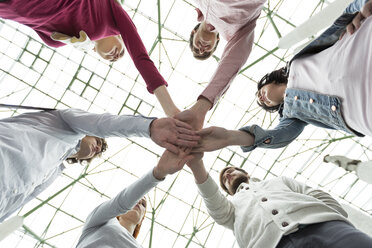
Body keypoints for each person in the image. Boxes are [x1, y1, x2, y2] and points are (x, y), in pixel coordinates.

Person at [192, 0, 372, 153]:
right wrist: (230, 138)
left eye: (259, 92)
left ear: (269, 80)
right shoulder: (292, 115)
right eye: (263, 103)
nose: (261, 98)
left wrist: (363, 3)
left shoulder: (296, 61)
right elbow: (279, 137)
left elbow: (344, 17)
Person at [0, 108, 199, 222]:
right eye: (99, 141)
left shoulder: (54, 171)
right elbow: (103, 123)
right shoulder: (61, 122)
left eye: (100, 148)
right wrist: (149, 127)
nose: (98, 147)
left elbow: (17, 200)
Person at [0, 0, 179, 117]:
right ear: (120, 39)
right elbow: (140, 57)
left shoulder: (70, 41)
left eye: (112, 60)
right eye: (122, 52)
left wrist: (70, 40)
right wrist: (171, 110)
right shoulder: (112, 13)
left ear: (95, 52)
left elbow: (35, 25)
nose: (116, 56)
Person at [186, 160, 372, 248]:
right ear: (226, 191)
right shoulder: (230, 208)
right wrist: (197, 165)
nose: (228, 174)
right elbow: (214, 202)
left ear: (246, 173)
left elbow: (317, 195)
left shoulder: (278, 181)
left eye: (231, 170)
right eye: (224, 179)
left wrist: (331, 218)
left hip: (327, 228)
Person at [176, 0, 267, 130]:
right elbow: (233, 61)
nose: (201, 50)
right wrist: (202, 105)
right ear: (217, 41)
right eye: (207, 51)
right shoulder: (236, 32)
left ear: (193, 32)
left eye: (196, 48)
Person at [75, 149, 195, 247]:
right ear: (119, 213)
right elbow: (121, 202)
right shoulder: (100, 221)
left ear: (141, 220)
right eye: (137, 200)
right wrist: (158, 172)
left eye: (143, 205)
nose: (139, 203)